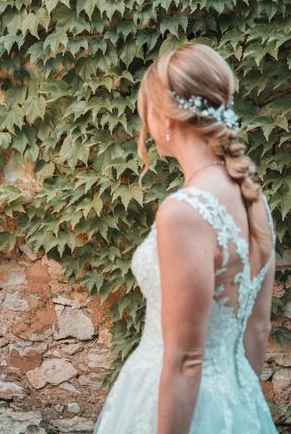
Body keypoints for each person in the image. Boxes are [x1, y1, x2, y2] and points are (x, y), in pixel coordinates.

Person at [94, 44, 277, 433]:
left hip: (174, 406)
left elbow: (185, 360)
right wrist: (238, 408)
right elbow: (258, 329)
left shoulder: (185, 212)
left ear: (166, 118)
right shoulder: (255, 202)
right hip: (237, 399)